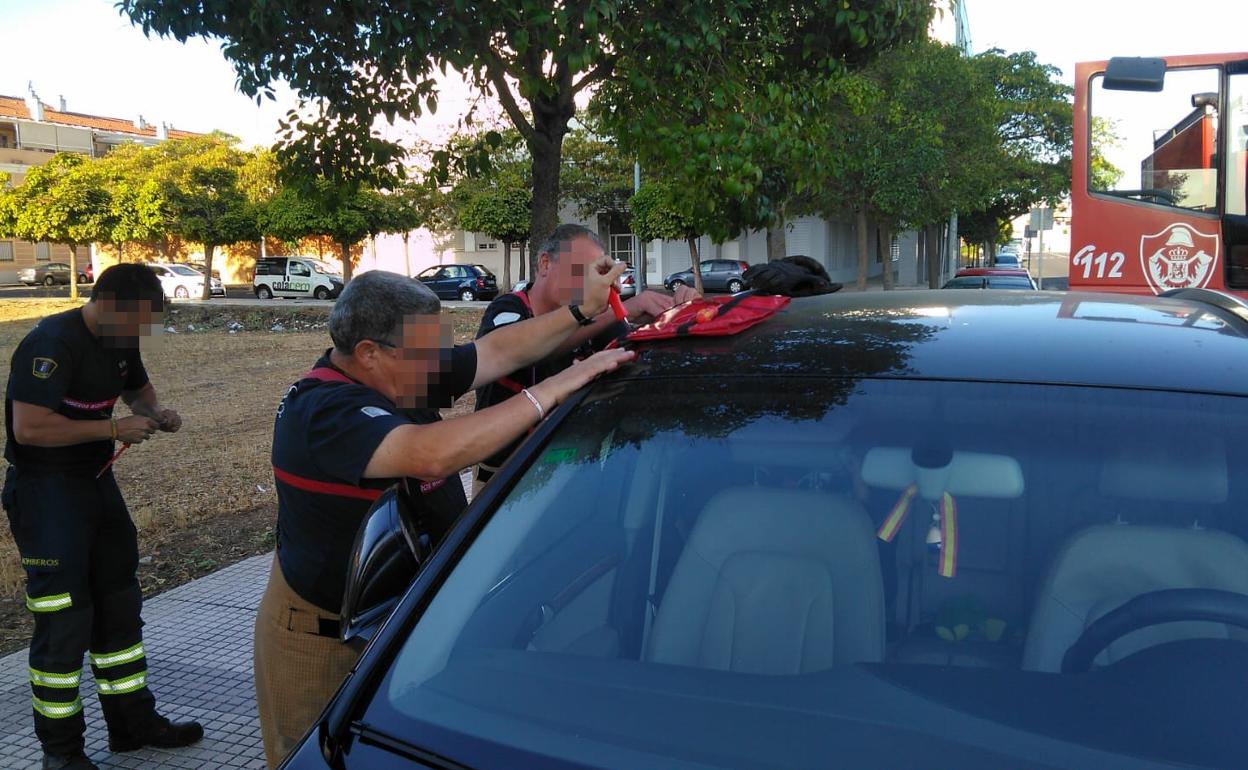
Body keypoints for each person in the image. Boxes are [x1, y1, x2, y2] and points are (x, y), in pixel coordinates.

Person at [255, 262, 633, 767]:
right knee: (320, 758)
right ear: (369, 353)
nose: (442, 365)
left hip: (394, 624)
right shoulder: (322, 410)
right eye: (429, 353)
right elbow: (429, 452)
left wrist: (580, 312)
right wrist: (556, 388)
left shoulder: (403, 372)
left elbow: (497, 351)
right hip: (320, 641)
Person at [2, 264, 202, 770]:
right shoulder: (49, 344)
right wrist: (111, 431)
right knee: (65, 621)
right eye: (139, 321)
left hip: (95, 487)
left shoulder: (120, 338)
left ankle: (132, 725)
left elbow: (138, 389)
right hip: (47, 494)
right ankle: (62, 753)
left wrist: (157, 412)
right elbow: (29, 428)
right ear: (109, 304)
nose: (142, 333)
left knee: (118, 604)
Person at [472, 224, 700, 491]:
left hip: (574, 471)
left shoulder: (597, 318)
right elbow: (521, 351)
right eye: (580, 271)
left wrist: (677, 317)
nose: (591, 285)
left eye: (597, 275)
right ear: (545, 264)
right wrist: (625, 308)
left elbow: (636, 364)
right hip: (503, 481)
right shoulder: (507, 309)